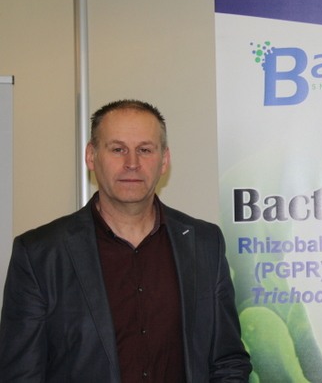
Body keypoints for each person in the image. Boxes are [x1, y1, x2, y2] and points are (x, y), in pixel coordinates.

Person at [0, 100, 252, 382]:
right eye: (118, 149)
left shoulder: (205, 244)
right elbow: (20, 374)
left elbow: (228, 361)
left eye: (145, 150)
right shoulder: (39, 254)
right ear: (91, 156)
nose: (132, 163)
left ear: (164, 160)